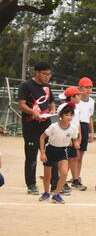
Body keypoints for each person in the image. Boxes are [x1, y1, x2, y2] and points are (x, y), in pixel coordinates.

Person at [18, 61, 56, 195]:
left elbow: (51, 102)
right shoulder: (26, 86)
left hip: (46, 126)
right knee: (31, 156)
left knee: (51, 153)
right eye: (45, 74)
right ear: (37, 73)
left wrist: (52, 110)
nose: (47, 77)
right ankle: (31, 184)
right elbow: (21, 104)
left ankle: (55, 184)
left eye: (49, 74)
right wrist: (33, 112)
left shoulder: (47, 87)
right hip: (31, 127)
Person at [38, 103, 79, 203]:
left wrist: (75, 143)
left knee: (64, 173)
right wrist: (42, 153)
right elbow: (42, 137)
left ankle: (56, 194)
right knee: (47, 176)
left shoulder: (73, 128)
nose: (69, 117)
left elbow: (75, 138)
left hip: (62, 151)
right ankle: (46, 193)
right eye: (67, 115)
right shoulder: (54, 126)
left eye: (71, 115)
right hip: (50, 150)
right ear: (61, 115)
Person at [72, 77, 95, 191]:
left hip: (85, 127)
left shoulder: (92, 101)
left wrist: (92, 132)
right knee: (72, 155)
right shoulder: (76, 101)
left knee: (80, 156)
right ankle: (66, 177)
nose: (88, 89)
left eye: (90, 87)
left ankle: (76, 178)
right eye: (86, 87)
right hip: (76, 126)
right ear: (80, 88)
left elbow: (90, 117)